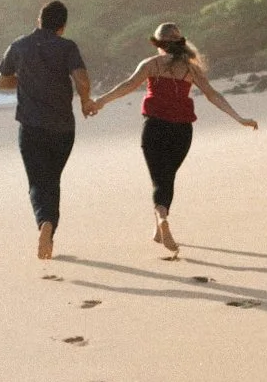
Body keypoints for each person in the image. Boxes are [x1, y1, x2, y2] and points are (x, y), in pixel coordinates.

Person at [87, 21, 256, 258]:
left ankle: (161, 217)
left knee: (159, 180)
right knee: (167, 177)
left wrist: (100, 102)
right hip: (182, 131)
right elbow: (212, 95)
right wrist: (239, 118)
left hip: (154, 127)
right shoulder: (191, 69)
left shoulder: (151, 64)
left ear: (159, 44)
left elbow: (126, 86)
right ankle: (159, 228)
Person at [0, 0, 94, 260]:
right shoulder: (67, 47)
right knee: (51, 179)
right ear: (62, 26)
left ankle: (45, 224)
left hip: (31, 127)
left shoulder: (18, 46)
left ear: (38, 20)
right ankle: (49, 226)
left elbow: (2, 81)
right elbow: (82, 79)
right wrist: (85, 102)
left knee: (39, 182)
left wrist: (28, 79)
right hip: (62, 128)